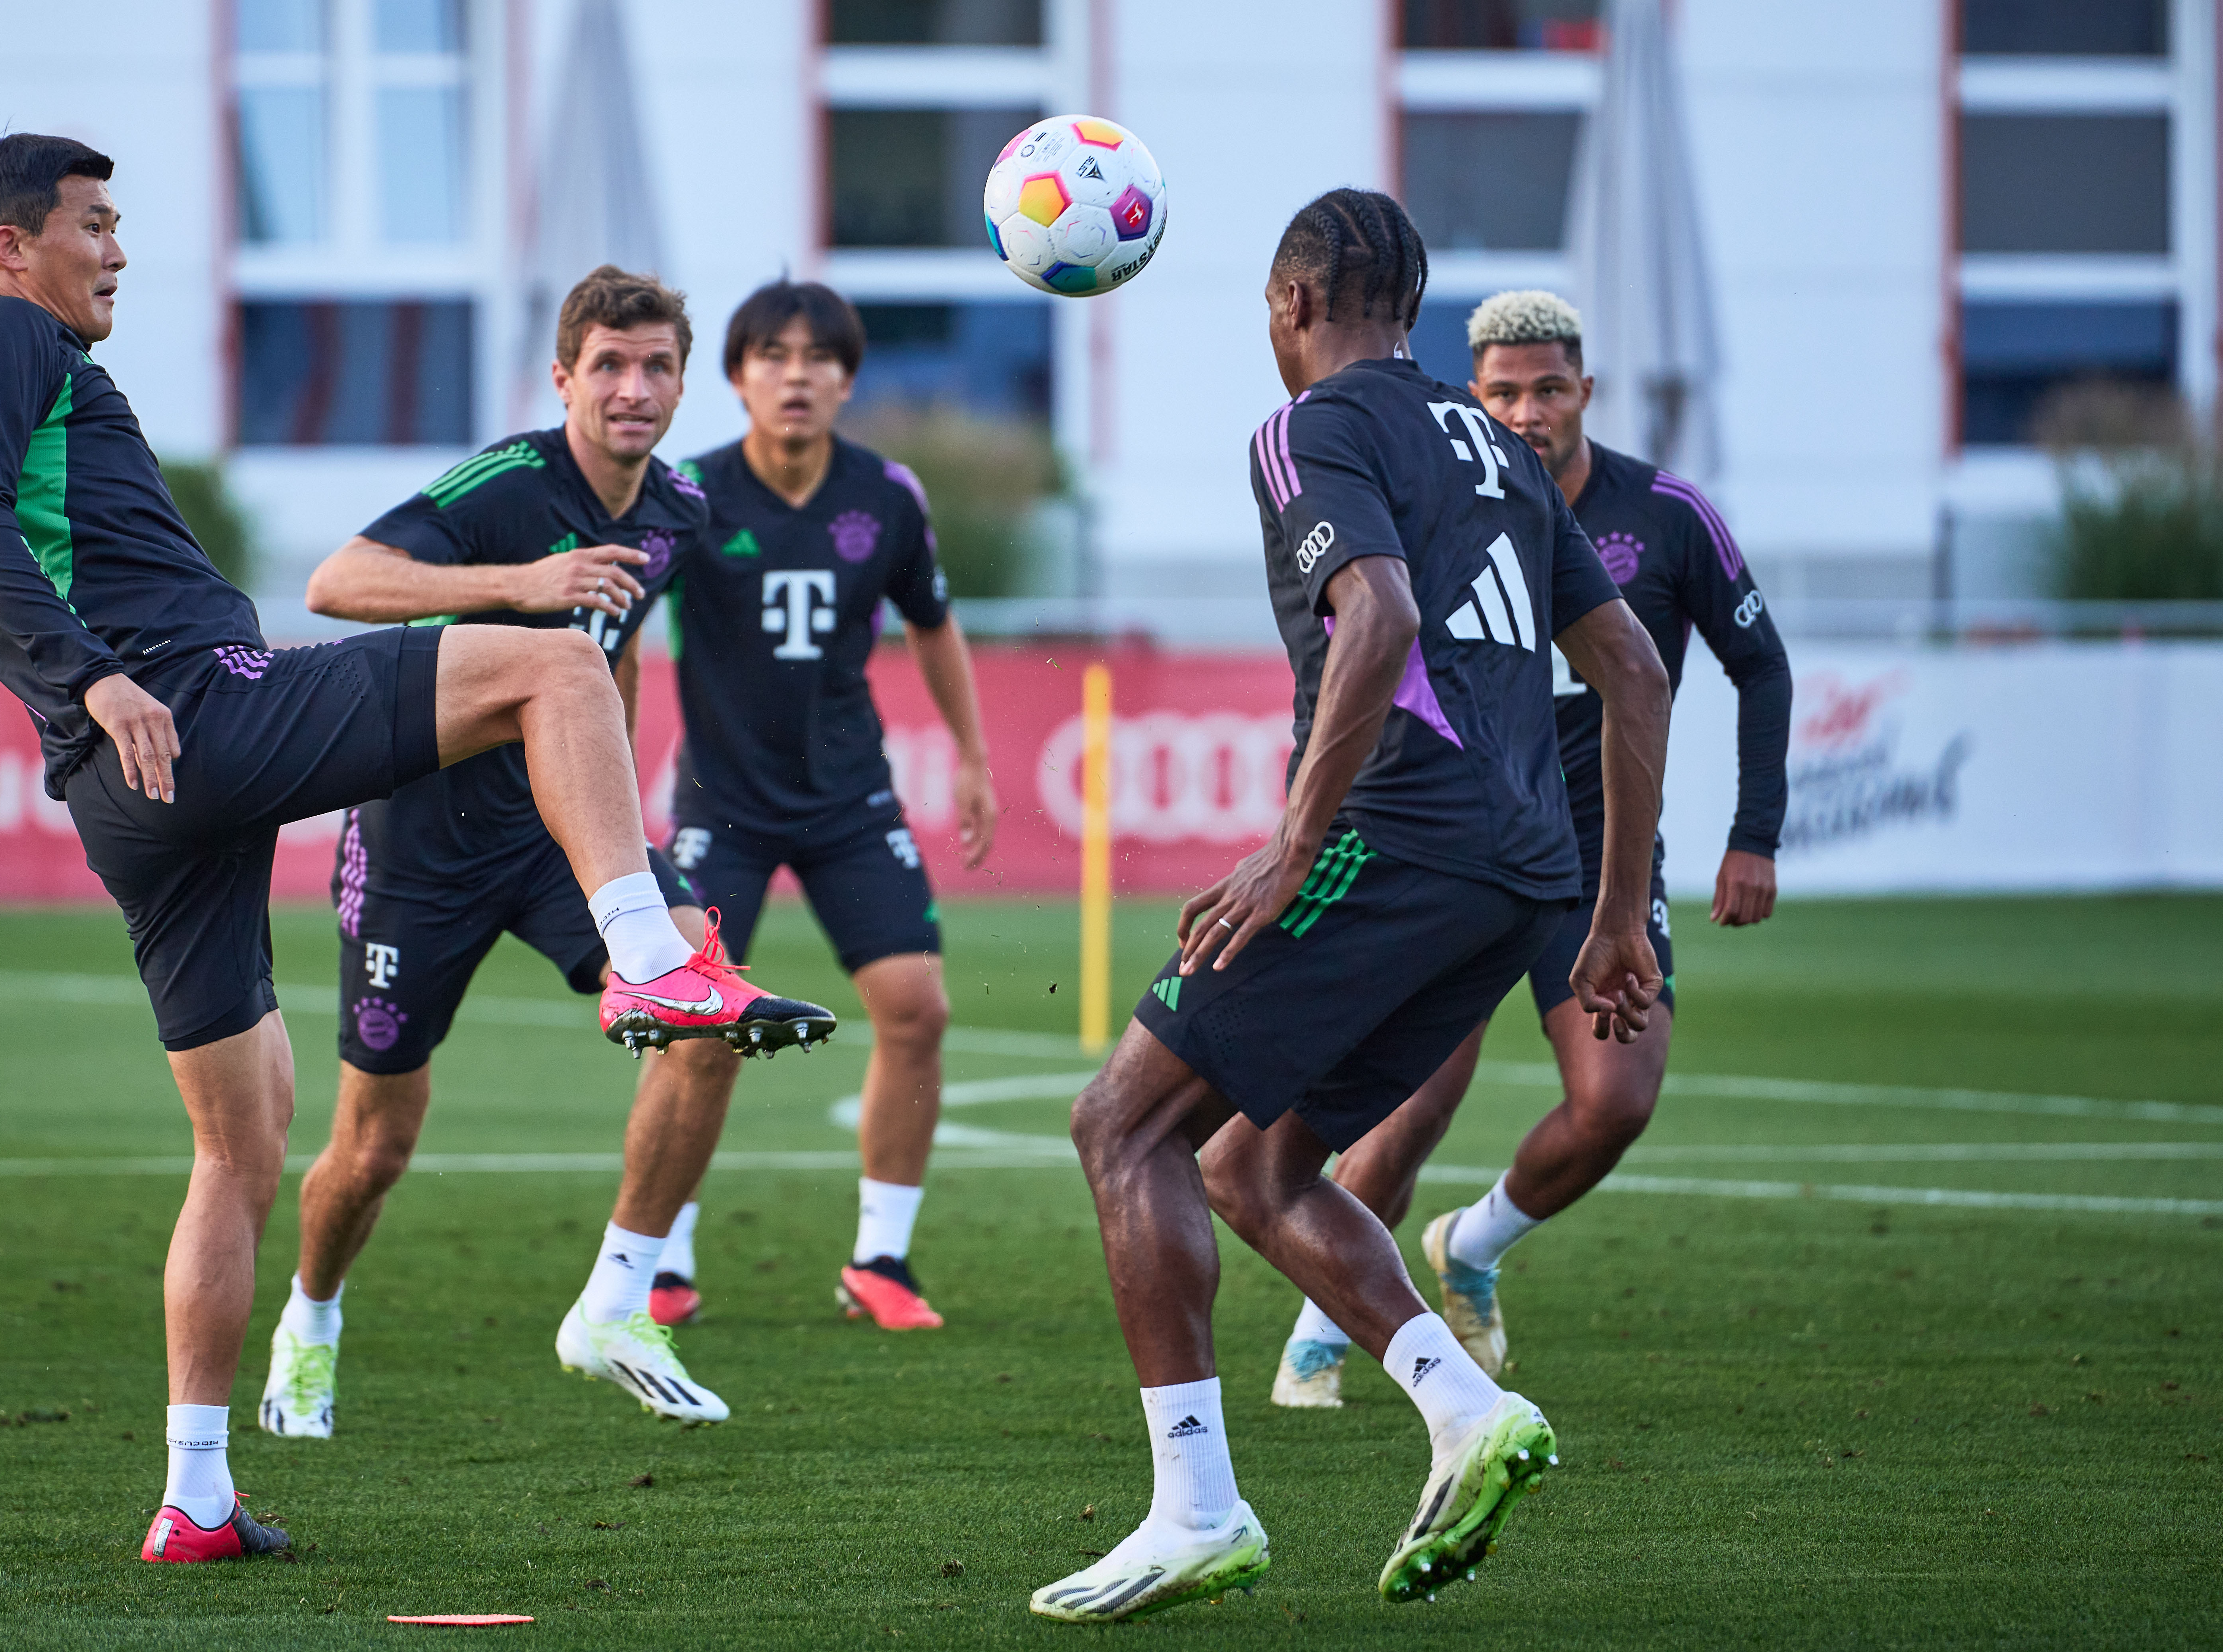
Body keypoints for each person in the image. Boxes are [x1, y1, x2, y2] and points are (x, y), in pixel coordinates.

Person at [0, 143, 814, 1565]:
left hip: (123, 791)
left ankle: (195, 1493)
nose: (117, 250)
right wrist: (94, 673)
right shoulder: (9, 334)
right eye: (95, 226)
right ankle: (652, 961)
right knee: (561, 672)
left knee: (242, 1141)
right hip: (187, 707)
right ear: (14, 248)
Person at [1028, 189, 1673, 1623]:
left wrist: (1287, 843)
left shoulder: (1306, 426)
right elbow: (1632, 671)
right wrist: (1614, 919)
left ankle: (1196, 1508)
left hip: (1392, 836)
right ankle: (1462, 1413)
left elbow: (1372, 619)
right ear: (1421, 309)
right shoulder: (1500, 448)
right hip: (1524, 873)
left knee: (1121, 1125)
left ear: (1289, 306)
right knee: (1253, 1169)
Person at [257, 266, 832, 1439]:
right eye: (608, 366)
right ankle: (309, 1321)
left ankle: (616, 1306)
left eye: (655, 366)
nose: (633, 389)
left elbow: (609, 664)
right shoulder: (510, 485)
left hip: (560, 838)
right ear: (563, 378)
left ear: (682, 381)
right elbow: (338, 581)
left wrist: (620, 795)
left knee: (708, 1013)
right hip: (418, 842)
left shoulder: (671, 510)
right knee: (374, 1148)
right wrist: (523, 586)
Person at [1250, 289, 1792, 1405]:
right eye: (1500, 391)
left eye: (1548, 388)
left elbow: (1756, 665)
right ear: (1470, 395)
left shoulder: (1669, 514)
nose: (1526, 410)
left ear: (1584, 390)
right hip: (1464, 838)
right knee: (1404, 1111)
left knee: (1615, 1103)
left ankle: (1474, 1245)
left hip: (1596, 848)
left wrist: (1754, 836)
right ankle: (1325, 1323)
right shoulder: (1445, 493)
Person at [632, 280, 998, 1334]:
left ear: (847, 375)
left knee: (917, 1011)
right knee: (693, 1026)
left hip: (848, 800)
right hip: (720, 804)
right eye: (773, 354)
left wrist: (972, 756)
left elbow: (932, 623)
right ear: (738, 374)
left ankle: (880, 1259)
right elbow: (617, 628)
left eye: (819, 356)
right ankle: (663, 1260)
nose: (797, 374)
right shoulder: (686, 495)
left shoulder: (884, 496)